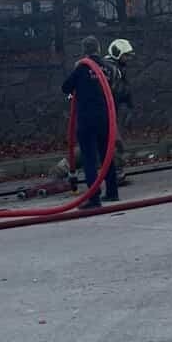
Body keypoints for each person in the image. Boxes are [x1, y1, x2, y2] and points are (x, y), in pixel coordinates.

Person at [61, 35, 119, 211]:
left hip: (86, 118)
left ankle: (94, 198)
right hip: (105, 116)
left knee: (89, 159)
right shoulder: (107, 67)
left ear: (83, 50)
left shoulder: (82, 67)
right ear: (99, 49)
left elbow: (65, 87)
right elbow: (114, 83)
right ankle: (112, 191)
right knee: (107, 155)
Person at [103, 38, 135, 183]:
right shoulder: (110, 68)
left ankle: (63, 168)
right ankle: (116, 174)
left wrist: (129, 105)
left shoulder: (116, 68)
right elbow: (116, 91)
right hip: (105, 112)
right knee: (115, 143)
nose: (128, 58)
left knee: (102, 145)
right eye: (125, 55)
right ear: (117, 54)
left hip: (109, 111)